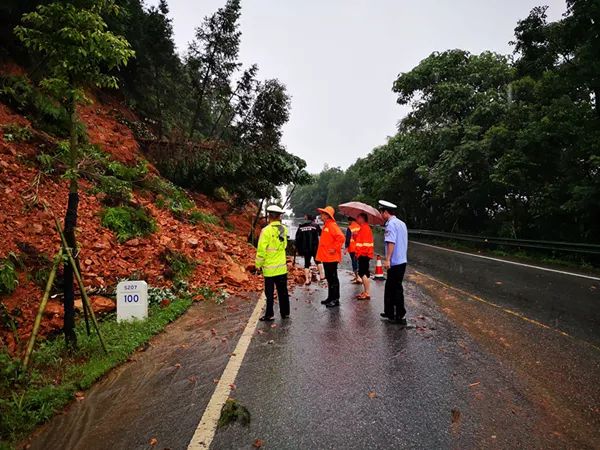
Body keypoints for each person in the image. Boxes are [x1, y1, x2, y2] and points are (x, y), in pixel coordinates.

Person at [255, 205, 290, 321]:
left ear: (269, 216)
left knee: (269, 293)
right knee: (283, 291)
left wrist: (258, 265)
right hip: (281, 268)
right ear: (279, 217)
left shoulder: (266, 231)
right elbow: (285, 246)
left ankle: (269, 314)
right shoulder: (283, 229)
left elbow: (261, 251)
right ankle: (285, 313)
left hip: (269, 269)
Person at [377, 200, 408, 325]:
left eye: (381, 212)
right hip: (402, 260)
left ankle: (399, 316)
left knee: (395, 289)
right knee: (391, 287)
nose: (381, 215)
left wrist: (387, 259)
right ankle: (389, 311)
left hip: (395, 262)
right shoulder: (401, 223)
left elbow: (391, 242)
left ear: (385, 212)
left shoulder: (390, 225)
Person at [315, 206, 345, 308]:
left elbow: (341, 237)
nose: (321, 215)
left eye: (323, 213)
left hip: (331, 257)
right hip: (327, 257)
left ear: (327, 215)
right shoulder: (327, 225)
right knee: (330, 278)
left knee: (333, 278)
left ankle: (335, 299)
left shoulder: (332, 225)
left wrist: (334, 248)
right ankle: (330, 297)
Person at [295, 214, 321, 285]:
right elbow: (321, 234)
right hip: (315, 247)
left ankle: (307, 280)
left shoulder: (301, 227)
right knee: (318, 261)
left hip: (305, 249)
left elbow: (297, 239)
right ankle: (322, 276)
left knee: (306, 264)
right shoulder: (315, 226)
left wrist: (298, 249)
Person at [354, 212, 374, 300]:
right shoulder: (363, 228)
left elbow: (365, 244)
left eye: (358, 217)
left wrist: (359, 254)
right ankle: (366, 291)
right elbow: (360, 241)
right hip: (364, 254)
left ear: (362, 218)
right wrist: (356, 236)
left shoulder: (365, 228)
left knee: (363, 273)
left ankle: (367, 292)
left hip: (364, 254)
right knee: (364, 273)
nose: (357, 219)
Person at [343, 217, 361, 284]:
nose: (348, 223)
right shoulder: (360, 226)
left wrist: (346, 247)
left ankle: (358, 277)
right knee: (358, 261)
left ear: (351, 221)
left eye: (349, 221)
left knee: (354, 262)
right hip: (359, 248)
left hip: (352, 248)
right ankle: (358, 276)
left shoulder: (350, 227)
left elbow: (347, 238)